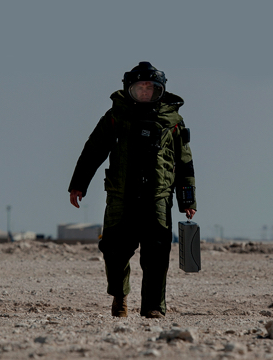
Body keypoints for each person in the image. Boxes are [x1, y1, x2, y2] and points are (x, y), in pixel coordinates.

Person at [69, 62, 196, 318]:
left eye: (150, 88)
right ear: (130, 89)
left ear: (160, 90)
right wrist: (78, 185)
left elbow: (185, 163)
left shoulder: (173, 122)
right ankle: (120, 296)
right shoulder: (116, 117)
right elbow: (93, 151)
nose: (145, 92)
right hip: (120, 196)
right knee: (114, 250)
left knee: (157, 254)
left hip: (158, 198)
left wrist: (187, 200)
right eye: (140, 88)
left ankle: (152, 307)